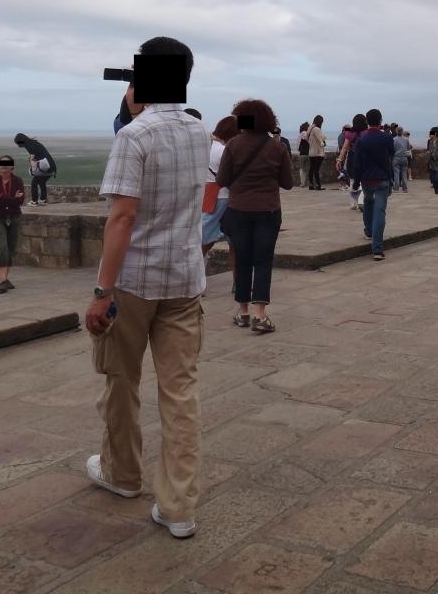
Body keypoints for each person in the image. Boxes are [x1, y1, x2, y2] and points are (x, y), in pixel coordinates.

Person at [84, 36, 209, 540]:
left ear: (143, 76)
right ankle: (178, 507)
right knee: (180, 392)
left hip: (134, 281)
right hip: (184, 278)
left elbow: (122, 216)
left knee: (120, 378)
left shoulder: (134, 137)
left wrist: (101, 291)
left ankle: (122, 473)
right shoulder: (199, 130)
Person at [218, 99, 294, 332]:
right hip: (268, 210)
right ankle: (260, 315)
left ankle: (242, 312)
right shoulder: (277, 147)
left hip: (238, 210)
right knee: (263, 260)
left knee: (242, 259)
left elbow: (222, 179)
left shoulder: (233, 145)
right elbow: (288, 183)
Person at [350, 109, 394, 261]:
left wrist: (356, 182)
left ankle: (369, 231)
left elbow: (357, 164)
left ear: (367, 122)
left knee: (368, 201)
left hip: (366, 179)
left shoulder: (361, 140)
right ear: (380, 120)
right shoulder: (386, 137)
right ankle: (377, 250)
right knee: (379, 211)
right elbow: (391, 154)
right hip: (382, 179)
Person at [0, 155, 25, 293]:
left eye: (7, 164)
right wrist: (12, 198)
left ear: (12, 166)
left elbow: (20, 201)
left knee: (11, 248)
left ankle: (6, 279)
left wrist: (2, 197)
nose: (4, 166)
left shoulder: (18, 181)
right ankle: (2, 280)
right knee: (1, 246)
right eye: (2, 163)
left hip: (13, 217)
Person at [202, 116, 239, 258]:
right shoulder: (224, 150)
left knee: (206, 235)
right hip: (224, 195)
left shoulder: (207, 146)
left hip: (208, 194)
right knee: (232, 241)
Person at [14, 133, 56, 205]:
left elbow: (34, 159)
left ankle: (34, 201)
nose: (18, 145)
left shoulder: (29, 146)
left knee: (34, 183)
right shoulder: (34, 143)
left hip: (45, 166)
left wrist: (32, 164)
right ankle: (43, 200)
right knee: (41, 182)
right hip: (51, 166)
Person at [335, 115, 366, 210]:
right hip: (364, 157)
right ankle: (361, 200)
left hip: (352, 157)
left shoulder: (349, 133)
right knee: (363, 180)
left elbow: (344, 147)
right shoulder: (366, 133)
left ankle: (353, 203)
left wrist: (339, 160)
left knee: (352, 179)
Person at [304, 115, 326, 190]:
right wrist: (323, 143)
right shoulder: (316, 129)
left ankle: (311, 185)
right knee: (316, 169)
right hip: (318, 152)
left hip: (311, 152)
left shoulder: (310, 129)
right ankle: (318, 185)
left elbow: (306, 139)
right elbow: (320, 139)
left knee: (312, 168)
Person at [392, 127, 412, 192]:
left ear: (396, 131)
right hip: (404, 157)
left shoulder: (394, 139)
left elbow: (392, 149)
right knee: (404, 174)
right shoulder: (406, 139)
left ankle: (396, 188)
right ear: (402, 131)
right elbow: (408, 148)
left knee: (396, 174)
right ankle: (405, 188)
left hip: (396, 157)